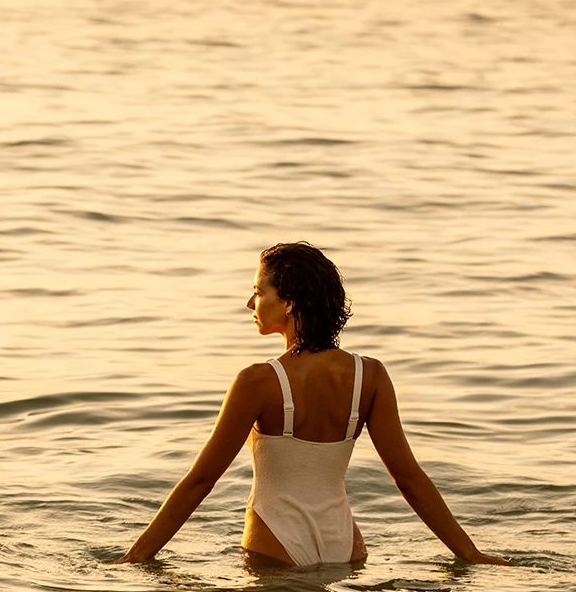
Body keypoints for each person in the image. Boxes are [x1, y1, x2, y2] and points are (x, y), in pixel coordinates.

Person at [114, 242, 510, 567]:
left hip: (274, 541)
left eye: (259, 291)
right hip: (344, 543)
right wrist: (470, 555)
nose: (250, 303)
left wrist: (135, 557)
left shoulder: (257, 381)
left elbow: (201, 482)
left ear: (288, 303)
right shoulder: (369, 376)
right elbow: (410, 479)